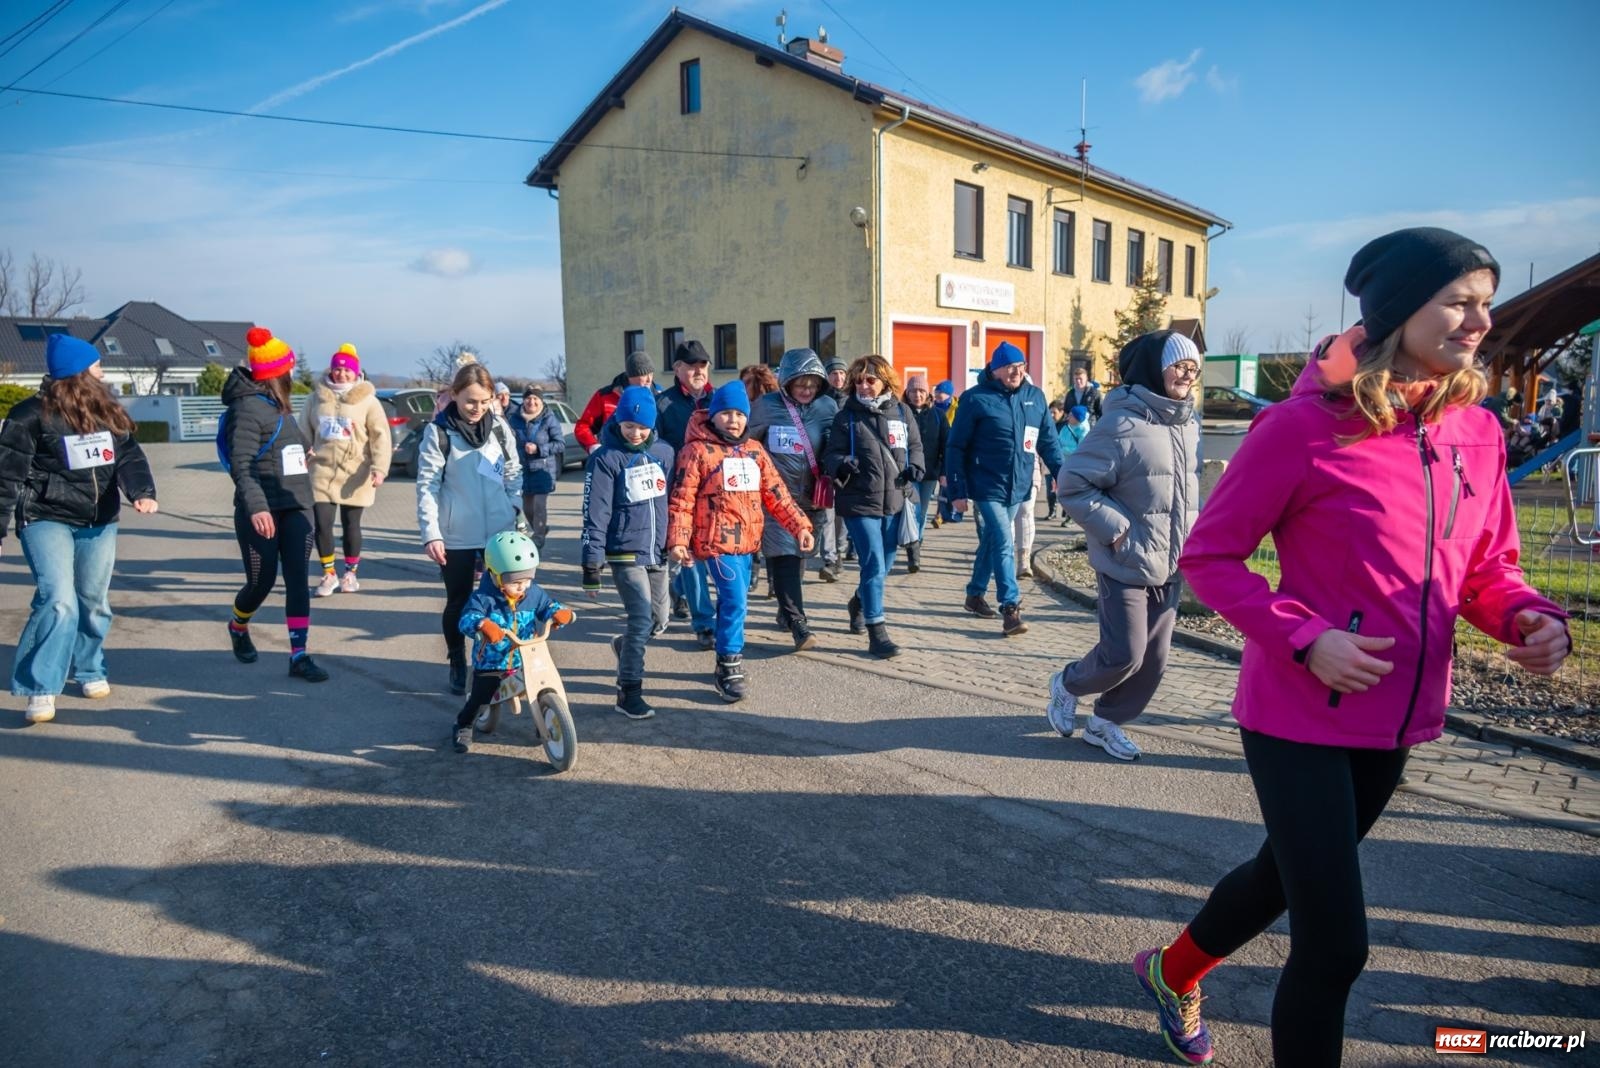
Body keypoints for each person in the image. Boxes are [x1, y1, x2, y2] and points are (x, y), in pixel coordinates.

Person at [1131, 229, 1570, 1068]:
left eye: (1486, 301)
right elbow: (1211, 558)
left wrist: (1527, 617)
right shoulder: (1300, 428)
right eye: (1458, 301)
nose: (1480, 320)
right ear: (1400, 310)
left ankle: (1170, 969)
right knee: (1336, 946)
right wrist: (1307, 638)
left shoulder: (1477, 430)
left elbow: (1486, 568)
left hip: (1397, 719)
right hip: (1296, 714)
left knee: (1277, 877)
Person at [1047, 331, 1201, 759]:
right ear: (1155, 367)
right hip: (1125, 559)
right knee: (1124, 655)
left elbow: (1184, 495)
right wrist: (1119, 531)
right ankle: (1067, 684)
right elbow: (1073, 485)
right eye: (1180, 366)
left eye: (1194, 369)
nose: (1188, 376)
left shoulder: (1188, 424)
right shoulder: (1121, 423)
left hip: (1170, 562)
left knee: (1153, 662)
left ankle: (1104, 723)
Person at [0, 333, 159, 723]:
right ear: (79, 372)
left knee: (92, 601)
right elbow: (6, 476)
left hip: (99, 521)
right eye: (96, 365)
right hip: (45, 518)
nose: (102, 371)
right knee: (58, 600)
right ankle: (41, 688)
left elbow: (129, 456)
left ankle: (89, 668)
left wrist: (141, 491)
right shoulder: (28, 416)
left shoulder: (108, 410)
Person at [667, 380, 814, 701]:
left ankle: (721, 645)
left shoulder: (755, 451)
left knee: (734, 600)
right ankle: (728, 663)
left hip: (748, 543)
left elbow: (777, 494)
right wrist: (679, 540)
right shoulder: (697, 451)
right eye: (726, 413)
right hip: (715, 543)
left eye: (739, 414)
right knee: (736, 600)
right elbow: (681, 498)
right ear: (714, 415)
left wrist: (800, 526)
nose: (733, 420)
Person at [222, 327, 329, 682]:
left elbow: (283, 449)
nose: (293, 376)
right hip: (262, 509)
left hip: (297, 505)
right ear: (278, 374)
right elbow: (242, 464)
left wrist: (303, 453)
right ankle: (238, 626)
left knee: (298, 579)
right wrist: (257, 507)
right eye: (289, 371)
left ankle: (299, 655)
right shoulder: (248, 409)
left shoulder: (278, 406)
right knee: (261, 580)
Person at [416, 361, 523, 695]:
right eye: (469, 401)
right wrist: (431, 532)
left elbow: (513, 469)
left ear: (493, 397)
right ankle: (455, 659)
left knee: (505, 601)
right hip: (457, 535)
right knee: (459, 600)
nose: (476, 408)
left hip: (499, 532)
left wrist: (514, 505)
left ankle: (497, 662)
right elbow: (427, 485)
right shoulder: (439, 432)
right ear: (454, 396)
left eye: (483, 401)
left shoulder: (499, 429)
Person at [945, 342, 1065, 637]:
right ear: (995, 369)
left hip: (1020, 483)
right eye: (1010, 366)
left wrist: (1062, 474)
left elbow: (1048, 440)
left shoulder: (1035, 397)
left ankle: (974, 594)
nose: (1016, 371)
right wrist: (957, 490)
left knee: (991, 539)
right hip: (986, 484)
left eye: (1021, 365)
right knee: (1003, 540)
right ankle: (1010, 608)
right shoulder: (975, 399)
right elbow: (956, 446)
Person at [581, 386, 675, 719]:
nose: (635, 433)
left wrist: (678, 542)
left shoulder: (664, 453)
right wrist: (592, 565)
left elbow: (673, 502)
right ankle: (628, 691)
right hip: (624, 554)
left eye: (642, 427)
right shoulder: (605, 458)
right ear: (618, 421)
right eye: (628, 426)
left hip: (657, 553)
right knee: (639, 619)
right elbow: (596, 512)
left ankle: (624, 647)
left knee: (658, 619)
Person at [821, 354, 924, 659]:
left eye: (870, 380)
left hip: (895, 498)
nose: (863, 385)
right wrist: (842, 463)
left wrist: (916, 465)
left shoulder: (902, 411)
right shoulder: (846, 416)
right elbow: (830, 456)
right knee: (875, 564)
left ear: (884, 382)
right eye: (859, 380)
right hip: (858, 501)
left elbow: (915, 446)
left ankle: (858, 601)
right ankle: (877, 632)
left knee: (885, 565)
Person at [747, 348, 839, 649]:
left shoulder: (827, 407)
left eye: (813, 383)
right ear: (786, 381)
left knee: (799, 556)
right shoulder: (766, 406)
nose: (807, 389)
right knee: (786, 556)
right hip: (777, 499)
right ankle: (799, 623)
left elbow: (834, 444)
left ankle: (785, 610)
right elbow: (748, 445)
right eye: (801, 382)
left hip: (813, 497)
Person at [451, 530, 573, 753]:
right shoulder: (483, 599)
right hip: (492, 661)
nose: (522, 586)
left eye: (528, 578)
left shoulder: (533, 593)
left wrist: (558, 613)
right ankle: (463, 725)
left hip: (525, 656)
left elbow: (547, 606)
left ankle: (547, 718)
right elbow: (467, 619)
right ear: (496, 575)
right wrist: (482, 625)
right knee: (480, 698)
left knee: (544, 685)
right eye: (515, 581)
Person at [300, 343, 390, 597]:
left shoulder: (368, 401)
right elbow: (303, 431)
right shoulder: (315, 398)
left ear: (356, 373)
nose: (341, 373)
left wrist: (379, 467)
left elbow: (380, 436)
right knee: (322, 524)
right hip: (321, 472)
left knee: (351, 524)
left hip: (355, 473)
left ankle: (350, 573)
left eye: (347, 370)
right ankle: (329, 574)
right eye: (337, 369)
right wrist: (302, 456)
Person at [656, 340, 716, 645]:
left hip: (716, 493)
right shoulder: (663, 403)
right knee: (692, 556)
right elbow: (653, 446)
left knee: (704, 557)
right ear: (677, 369)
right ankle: (704, 622)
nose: (698, 371)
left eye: (702, 365)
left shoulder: (717, 400)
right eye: (691, 366)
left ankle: (678, 588)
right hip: (681, 492)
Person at [508, 386, 563, 549]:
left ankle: (538, 537)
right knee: (527, 507)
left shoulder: (549, 419)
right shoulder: (514, 419)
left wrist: (539, 449)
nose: (531, 402)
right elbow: (509, 442)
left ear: (541, 401)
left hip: (542, 469)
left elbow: (560, 444)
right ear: (523, 400)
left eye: (535, 399)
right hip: (522, 468)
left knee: (539, 505)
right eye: (528, 398)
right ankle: (540, 528)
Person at [902, 374, 947, 573]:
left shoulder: (938, 415)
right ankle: (912, 547)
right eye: (913, 391)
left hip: (929, 473)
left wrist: (944, 471)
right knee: (910, 509)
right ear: (907, 393)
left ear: (927, 393)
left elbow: (947, 444)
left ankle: (916, 544)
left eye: (921, 391)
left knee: (921, 511)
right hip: (906, 472)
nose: (917, 395)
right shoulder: (900, 413)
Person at [576, 350, 654, 454]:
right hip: (613, 459)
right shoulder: (605, 396)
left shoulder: (658, 395)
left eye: (651, 374)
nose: (649, 379)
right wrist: (592, 446)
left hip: (646, 460)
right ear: (630, 376)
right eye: (644, 375)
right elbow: (583, 426)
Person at [819, 355, 853, 573]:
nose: (838, 377)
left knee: (843, 514)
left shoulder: (853, 400)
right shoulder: (820, 401)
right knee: (827, 514)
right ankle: (830, 558)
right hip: (826, 463)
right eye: (833, 373)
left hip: (849, 465)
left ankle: (840, 550)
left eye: (841, 373)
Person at [932, 380, 959, 525]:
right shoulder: (932, 407)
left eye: (940, 394)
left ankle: (940, 514)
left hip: (950, 449)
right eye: (936, 393)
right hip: (935, 448)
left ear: (948, 395)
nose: (937, 396)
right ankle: (943, 513)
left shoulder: (957, 408)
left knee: (944, 484)